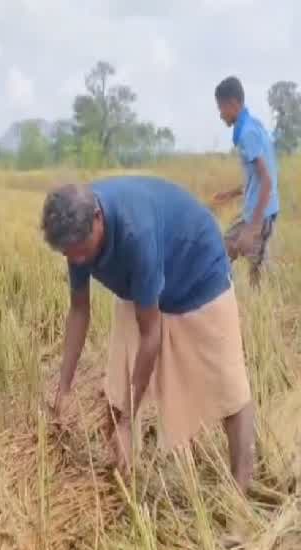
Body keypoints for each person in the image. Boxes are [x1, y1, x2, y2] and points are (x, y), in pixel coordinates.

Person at [41, 176, 256, 492]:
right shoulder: (77, 234)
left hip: (197, 273)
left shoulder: (134, 233)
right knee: (119, 381)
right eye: (68, 254)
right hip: (139, 285)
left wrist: (129, 422)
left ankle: (240, 492)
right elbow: (79, 310)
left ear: (98, 218)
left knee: (229, 389)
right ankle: (120, 474)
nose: (77, 260)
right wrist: (63, 385)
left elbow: (150, 336)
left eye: (81, 251)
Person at [212, 75, 280, 288]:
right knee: (229, 256)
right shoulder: (253, 126)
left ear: (232, 104)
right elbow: (258, 178)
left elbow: (267, 181)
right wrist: (231, 193)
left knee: (257, 278)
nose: (220, 114)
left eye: (221, 108)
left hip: (260, 217)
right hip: (257, 214)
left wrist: (251, 229)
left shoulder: (247, 134)